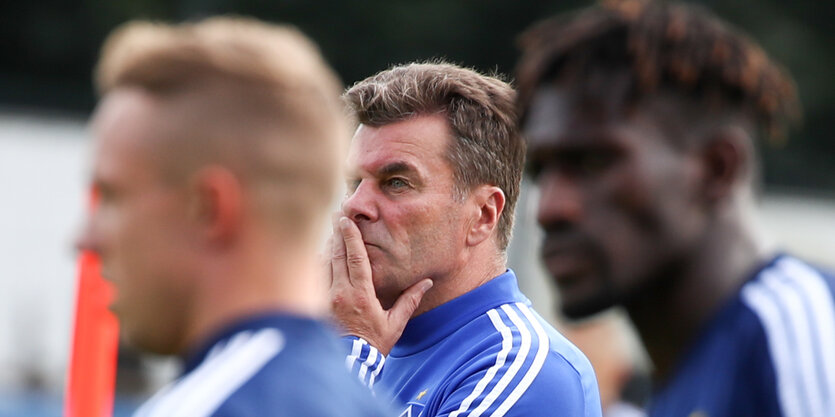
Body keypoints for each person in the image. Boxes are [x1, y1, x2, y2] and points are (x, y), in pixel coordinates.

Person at [515, 1, 835, 416]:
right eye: (541, 171)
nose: (549, 208)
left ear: (718, 168)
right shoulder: (676, 393)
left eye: (594, 162)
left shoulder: (795, 329)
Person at [76, 17, 391, 416]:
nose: (84, 238)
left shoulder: (207, 406)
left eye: (113, 197)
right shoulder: (364, 405)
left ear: (210, 209)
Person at [328, 61, 602, 417]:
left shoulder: (520, 369)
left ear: (483, 215)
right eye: (354, 184)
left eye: (396, 182)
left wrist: (346, 353)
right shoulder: (357, 341)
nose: (355, 206)